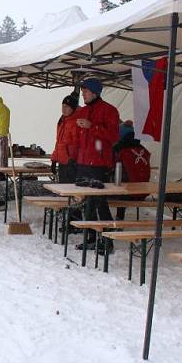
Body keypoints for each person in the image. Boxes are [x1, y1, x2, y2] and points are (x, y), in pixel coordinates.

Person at [73, 78, 120, 254]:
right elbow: (79, 138)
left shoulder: (109, 111)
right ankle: (91, 238)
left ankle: (107, 240)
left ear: (94, 92)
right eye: (82, 91)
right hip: (83, 162)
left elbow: (114, 136)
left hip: (99, 164)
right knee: (87, 203)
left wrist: (92, 127)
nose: (83, 94)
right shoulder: (83, 111)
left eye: (85, 91)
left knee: (100, 202)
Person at [51, 94, 80, 184]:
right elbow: (58, 142)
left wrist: (74, 159)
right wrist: (54, 159)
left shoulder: (78, 122)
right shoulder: (62, 121)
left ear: (73, 108)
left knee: (72, 191)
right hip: (62, 162)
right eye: (63, 106)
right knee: (63, 190)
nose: (64, 109)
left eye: (67, 107)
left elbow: (79, 143)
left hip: (72, 163)